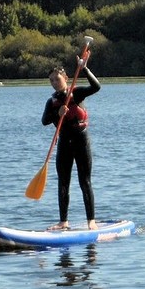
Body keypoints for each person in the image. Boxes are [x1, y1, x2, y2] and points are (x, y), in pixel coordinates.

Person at [42, 55, 101, 231]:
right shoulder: (51, 102)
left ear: (66, 78)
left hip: (81, 141)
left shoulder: (77, 93)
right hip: (64, 143)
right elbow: (45, 121)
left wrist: (84, 69)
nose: (54, 82)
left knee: (85, 181)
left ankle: (91, 220)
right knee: (63, 182)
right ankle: (63, 222)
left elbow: (96, 87)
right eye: (51, 80)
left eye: (57, 79)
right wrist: (57, 114)